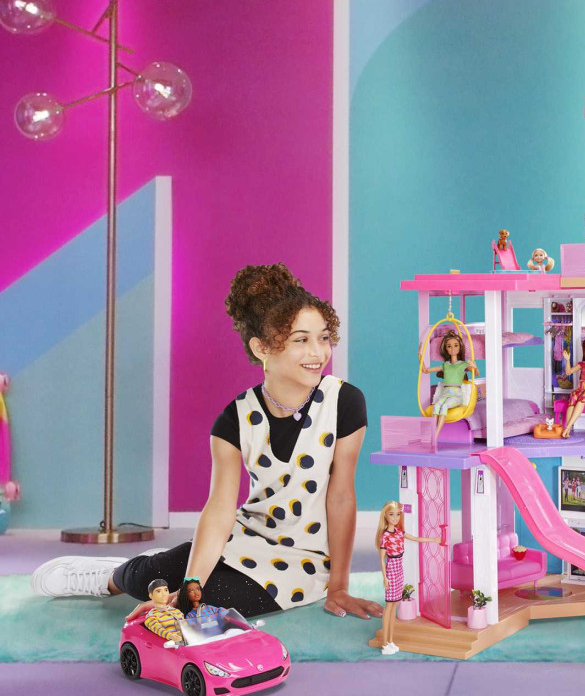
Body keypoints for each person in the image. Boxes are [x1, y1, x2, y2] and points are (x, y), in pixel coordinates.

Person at [32, 262, 379, 622]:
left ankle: (163, 571)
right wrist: (190, 582)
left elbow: (341, 495)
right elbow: (219, 510)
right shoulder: (234, 419)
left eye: (324, 337)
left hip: (307, 560)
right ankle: (111, 577)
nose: (319, 353)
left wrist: (339, 586)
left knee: (207, 602)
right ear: (262, 348)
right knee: (161, 580)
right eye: (301, 340)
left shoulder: (344, 402)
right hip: (245, 536)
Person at [375, 500, 443, 654]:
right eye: (391, 515)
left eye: (397, 514)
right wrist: (385, 577)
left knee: (394, 606)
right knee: (389, 607)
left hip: (399, 568)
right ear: (385, 516)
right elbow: (382, 559)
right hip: (391, 569)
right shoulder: (385, 536)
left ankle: (390, 641)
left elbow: (416, 538)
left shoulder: (399, 532)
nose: (395, 518)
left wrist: (434, 540)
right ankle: (385, 644)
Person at [425, 330, 478, 439]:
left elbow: (476, 373)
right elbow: (426, 370)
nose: (452, 348)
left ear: (459, 347)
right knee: (437, 407)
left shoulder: (463, 364)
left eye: (455, 345)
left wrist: (474, 366)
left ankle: (435, 436)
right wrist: (420, 357)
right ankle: (432, 433)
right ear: (446, 349)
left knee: (444, 407)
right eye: (449, 346)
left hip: (456, 395)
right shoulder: (445, 365)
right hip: (445, 393)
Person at [125, 577, 185, 646]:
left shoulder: (176, 611)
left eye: (166, 590)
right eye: (158, 591)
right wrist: (171, 636)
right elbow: (158, 629)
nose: (164, 594)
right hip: (170, 644)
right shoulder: (152, 616)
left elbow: (186, 626)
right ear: (151, 595)